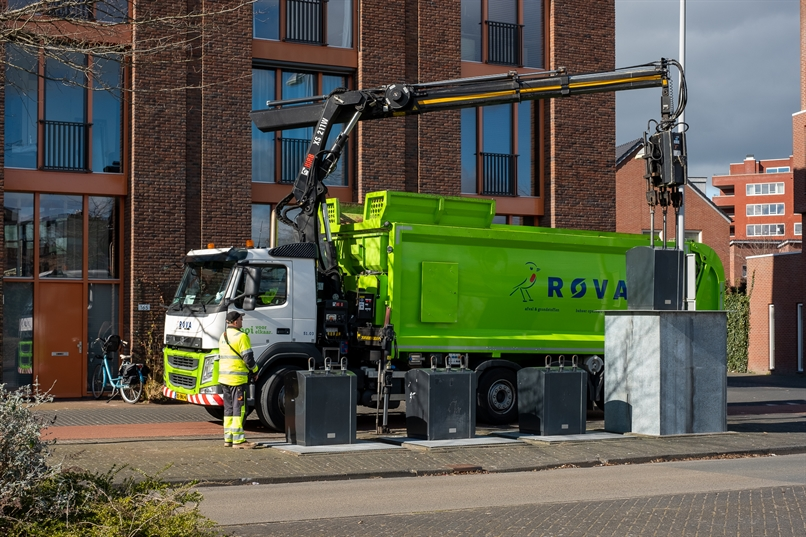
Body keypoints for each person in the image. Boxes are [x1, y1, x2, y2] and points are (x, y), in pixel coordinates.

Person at [217, 311, 259, 448]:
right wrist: (255, 371)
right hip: (237, 379)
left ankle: (228, 438)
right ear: (235, 322)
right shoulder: (242, 337)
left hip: (224, 378)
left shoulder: (222, 337)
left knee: (228, 409)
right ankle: (239, 441)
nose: (242, 321)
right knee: (239, 409)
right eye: (241, 319)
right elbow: (248, 359)